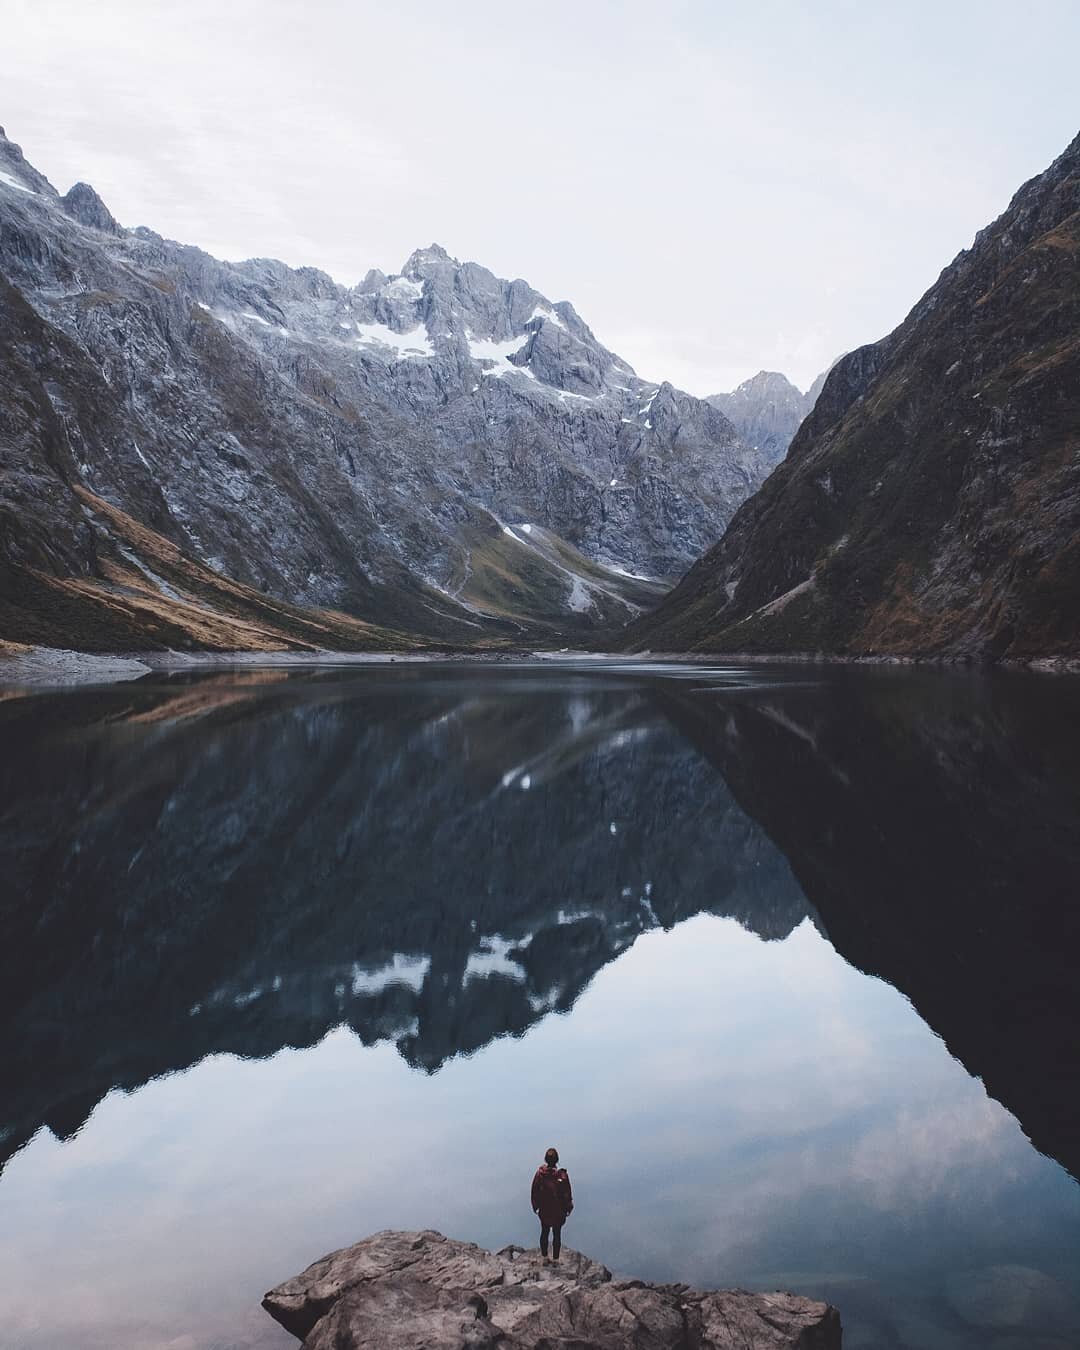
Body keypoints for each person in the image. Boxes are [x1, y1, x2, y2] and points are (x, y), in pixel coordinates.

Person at [530, 1146, 573, 1263]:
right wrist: (568, 1208)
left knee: (544, 1231)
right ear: (557, 1160)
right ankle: (555, 1259)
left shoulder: (540, 1174)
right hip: (558, 1211)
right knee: (557, 1233)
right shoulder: (562, 1176)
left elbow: (535, 1191)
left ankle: (544, 1257)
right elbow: (567, 1194)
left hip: (544, 1210)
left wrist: (536, 1206)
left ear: (545, 1160)